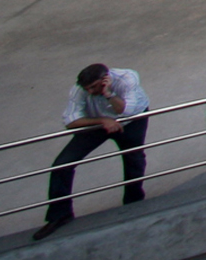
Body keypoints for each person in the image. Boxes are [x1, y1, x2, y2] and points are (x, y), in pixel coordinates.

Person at [38, 63, 150, 239]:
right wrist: (103, 121)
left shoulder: (126, 79)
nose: (89, 92)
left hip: (130, 121)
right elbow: (70, 121)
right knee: (62, 164)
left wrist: (108, 94)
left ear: (106, 79)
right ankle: (60, 214)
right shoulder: (79, 90)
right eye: (87, 88)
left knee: (133, 159)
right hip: (98, 122)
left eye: (93, 87)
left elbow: (124, 110)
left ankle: (133, 204)